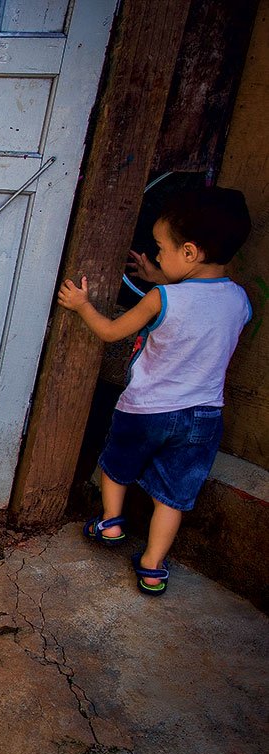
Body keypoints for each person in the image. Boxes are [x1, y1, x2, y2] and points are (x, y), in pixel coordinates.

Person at [57, 185, 252, 595]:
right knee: (173, 494)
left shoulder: (160, 298)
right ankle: (152, 565)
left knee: (116, 463)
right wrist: (160, 274)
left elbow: (111, 332)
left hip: (146, 409)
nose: (156, 254)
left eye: (162, 248)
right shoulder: (240, 300)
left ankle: (110, 521)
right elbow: (202, 302)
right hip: (203, 416)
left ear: (190, 253)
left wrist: (81, 306)